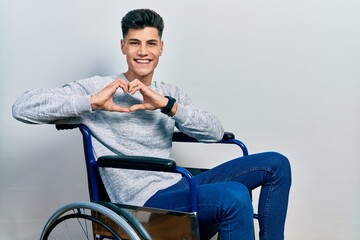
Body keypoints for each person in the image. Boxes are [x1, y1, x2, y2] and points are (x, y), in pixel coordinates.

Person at [12, 8, 291, 240]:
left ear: (161, 48)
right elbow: (22, 107)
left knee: (276, 164)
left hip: (178, 184)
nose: (142, 52)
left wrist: (168, 105)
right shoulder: (98, 87)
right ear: (123, 46)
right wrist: (92, 102)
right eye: (134, 43)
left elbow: (215, 132)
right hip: (142, 200)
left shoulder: (166, 92)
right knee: (232, 195)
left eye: (150, 43)